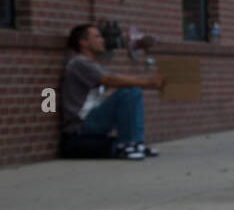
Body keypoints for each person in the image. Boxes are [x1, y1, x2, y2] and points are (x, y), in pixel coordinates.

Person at [61, 23, 165, 159]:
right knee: (129, 91)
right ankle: (128, 143)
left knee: (132, 91)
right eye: (97, 36)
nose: (102, 40)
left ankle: (136, 143)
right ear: (83, 43)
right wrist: (149, 83)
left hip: (93, 120)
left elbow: (114, 79)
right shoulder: (79, 63)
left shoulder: (93, 65)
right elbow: (110, 80)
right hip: (81, 125)